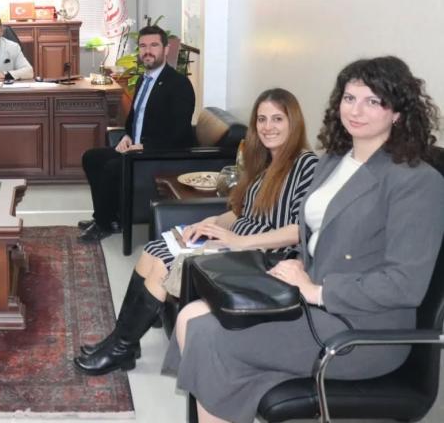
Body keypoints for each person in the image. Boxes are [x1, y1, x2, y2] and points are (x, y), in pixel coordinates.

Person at [167, 56, 444, 423]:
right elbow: (319, 235)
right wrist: (299, 265)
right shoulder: (333, 161)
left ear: (397, 112)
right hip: (309, 298)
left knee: (207, 335)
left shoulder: (416, 181)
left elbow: (404, 285)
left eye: (373, 101)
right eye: (349, 98)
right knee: (189, 315)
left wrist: (317, 291)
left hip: (360, 329)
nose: (356, 110)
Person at [74, 88, 318, 375]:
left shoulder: (306, 164)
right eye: (262, 119)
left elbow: (298, 231)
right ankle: (123, 341)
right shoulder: (263, 162)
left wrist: (239, 241)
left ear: (293, 122)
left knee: (166, 263)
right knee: (154, 249)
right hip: (237, 242)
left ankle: (121, 348)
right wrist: (210, 223)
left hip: (262, 255)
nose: (268, 127)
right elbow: (240, 212)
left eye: (277, 119)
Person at [79, 25, 195, 242]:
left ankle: (104, 223)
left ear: (166, 49)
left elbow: (179, 132)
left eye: (154, 45)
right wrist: (127, 136)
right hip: (137, 148)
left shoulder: (179, 84)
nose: (147, 51)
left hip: (159, 155)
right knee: (91, 157)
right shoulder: (144, 79)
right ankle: (108, 217)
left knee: (112, 167)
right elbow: (135, 117)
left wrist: (144, 146)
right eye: (143, 46)